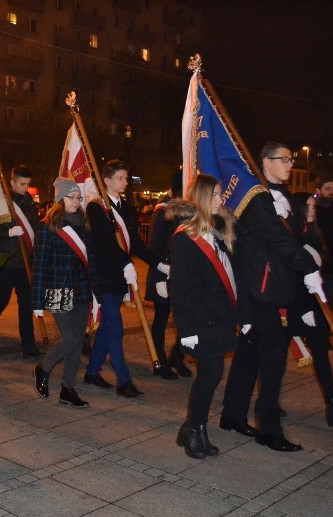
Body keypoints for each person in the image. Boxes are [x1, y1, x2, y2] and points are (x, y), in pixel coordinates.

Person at [219, 142, 322, 452]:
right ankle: (268, 428)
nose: (290, 165)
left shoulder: (284, 198)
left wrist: (309, 254)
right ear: (265, 162)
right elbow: (273, 239)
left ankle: (233, 415)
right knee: (274, 358)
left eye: (291, 160)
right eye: (284, 159)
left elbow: (298, 236)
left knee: (250, 352)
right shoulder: (255, 197)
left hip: (275, 286)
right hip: (259, 288)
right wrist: (306, 268)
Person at [169, 175, 244, 458]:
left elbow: (230, 276)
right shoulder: (186, 238)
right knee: (211, 372)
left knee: (212, 373)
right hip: (200, 319)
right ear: (201, 197)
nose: (221, 199)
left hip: (218, 315)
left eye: (221, 194)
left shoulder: (217, 232)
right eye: (215, 195)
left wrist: (241, 315)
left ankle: (193, 427)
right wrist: (186, 329)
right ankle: (194, 430)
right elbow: (180, 288)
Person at [83, 159, 164, 397]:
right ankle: (123, 381)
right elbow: (105, 243)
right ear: (106, 181)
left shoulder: (127, 209)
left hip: (121, 277)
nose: (125, 182)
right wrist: (126, 262)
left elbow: (136, 243)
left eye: (126, 178)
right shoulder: (96, 208)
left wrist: (158, 263)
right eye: (120, 178)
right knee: (116, 328)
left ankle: (92, 371)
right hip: (105, 276)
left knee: (108, 327)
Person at [288, 192, 333, 427]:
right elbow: (292, 278)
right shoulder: (290, 236)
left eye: (313, 206)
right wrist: (304, 307)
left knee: (321, 354)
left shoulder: (314, 235)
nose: (312, 209)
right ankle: (266, 403)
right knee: (271, 358)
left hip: (315, 305)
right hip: (293, 307)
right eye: (308, 206)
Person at [32, 178, 101, 408]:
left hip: (81, 289)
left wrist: (96, 294)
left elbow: (91, 260)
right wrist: (38, 299)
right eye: (71, 197)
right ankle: (44, 368)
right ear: (60, 199)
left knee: (78, 340)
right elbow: (40, 264)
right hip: (57, 289)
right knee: (70, 339)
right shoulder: (47, 225)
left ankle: (68, 388)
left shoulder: (84, 223)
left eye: (78, 197)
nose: (76, 201)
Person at [0, 164, 42, 358]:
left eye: (28, 184)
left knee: (27, 305)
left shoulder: (30, 202)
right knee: (0, 302)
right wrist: (8, 232)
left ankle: (28, 345)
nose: (25, 188)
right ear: (12, 181)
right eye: (22, 184)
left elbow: (34, 229)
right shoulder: (2, 202)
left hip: (25, 263)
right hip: (7, 262)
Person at [144, 170, 190, 380]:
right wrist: (163, 273)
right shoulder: (162, 211)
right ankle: (159, 360)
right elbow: (155, 245)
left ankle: (177, 356)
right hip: (163, 272)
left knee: (185, 319)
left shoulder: (183, 210)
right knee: (161, 320)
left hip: (180, 273)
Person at [314, 178, 333, 309]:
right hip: (314, 261)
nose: (331, 192)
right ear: (318, 190)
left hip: (331, 261)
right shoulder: (313, 209)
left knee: (328, 299)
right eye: (327, 189)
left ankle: (326, 327)